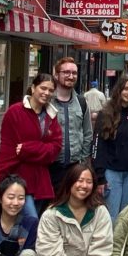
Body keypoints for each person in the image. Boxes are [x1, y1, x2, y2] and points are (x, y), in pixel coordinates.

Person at [0, 73, 63, 219]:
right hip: (18, 179)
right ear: (33, 88)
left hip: (41, 182)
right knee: (31, 221)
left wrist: (27, 149)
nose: (46, 93)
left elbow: (55, 148)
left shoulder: (51, 115)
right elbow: (7, 149)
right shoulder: (15, 112)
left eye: (50, 90)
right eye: (43, 88)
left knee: (29, 228)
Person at [93, 74, 128, 221]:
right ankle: (109, 244)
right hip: (111, 173)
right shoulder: (106, 113)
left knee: (127, 216)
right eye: (126, 88)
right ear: (119, 90)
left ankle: (123, 244)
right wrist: (100, 177)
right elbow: (97, 146)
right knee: (111, 216)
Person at [50, 58, 93, 193]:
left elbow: (87, 133)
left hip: (75, 167)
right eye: (66, 72)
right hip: (51, 167)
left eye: (74, 73)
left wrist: (83, 160)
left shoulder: (81, 102)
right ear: (56, 75)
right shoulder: (47, 101)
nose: (71, 76)